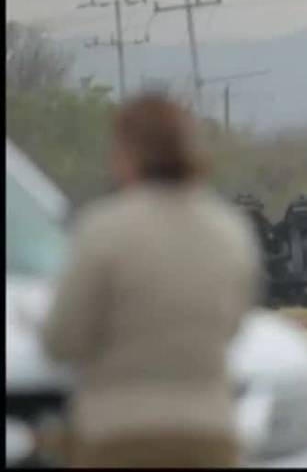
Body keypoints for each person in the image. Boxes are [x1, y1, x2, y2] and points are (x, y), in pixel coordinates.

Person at [41, 93, 260, 467]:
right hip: (210, 436)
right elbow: (235, 326)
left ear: (128, 154)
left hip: (118, 436)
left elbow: (63, 339)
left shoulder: (103, 227)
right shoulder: (230, 231)